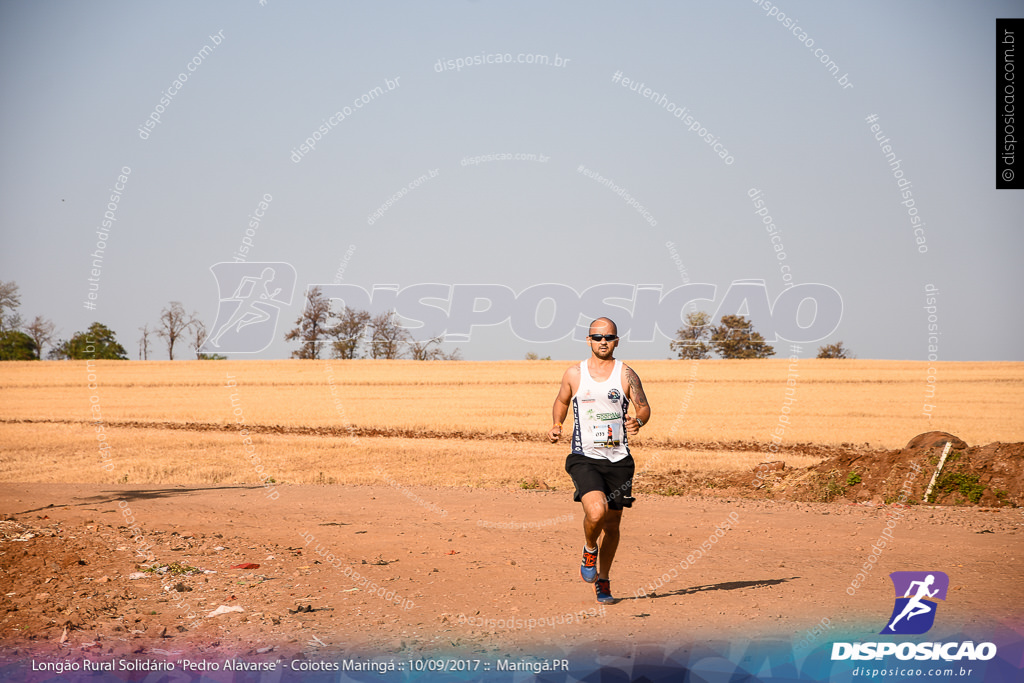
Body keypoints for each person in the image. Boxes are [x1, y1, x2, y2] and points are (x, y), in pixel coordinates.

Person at [548, 317, 651, 604]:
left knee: (613, 526)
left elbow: (643, 407)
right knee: (596, 512)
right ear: (588, 340)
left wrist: (638, 421)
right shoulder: (574, 373)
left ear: (616, 340)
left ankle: (603, 580)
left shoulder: (627, 374)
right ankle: (589, 548)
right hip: (585, 457)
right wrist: (557, 423)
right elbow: (562, 400)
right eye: (597, 337)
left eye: (608, 337)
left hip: (619, 461)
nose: (602, 342)